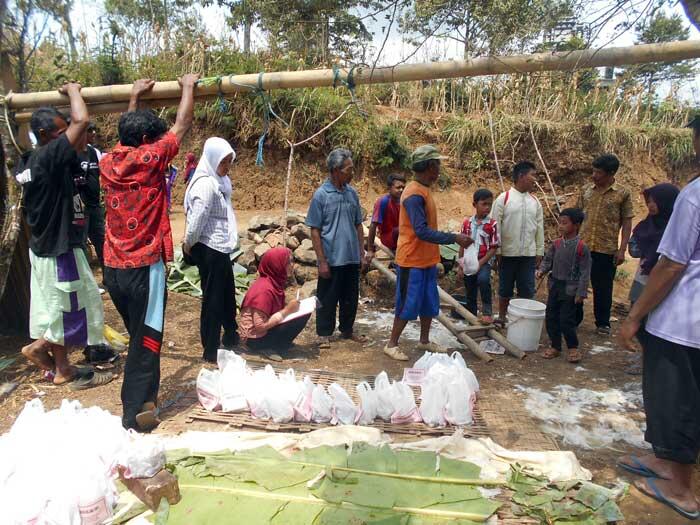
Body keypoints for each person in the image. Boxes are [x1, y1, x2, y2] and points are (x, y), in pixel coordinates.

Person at [100, 75, 198, 431]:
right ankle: (135, 412)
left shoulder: (110, 161)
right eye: (152, 138)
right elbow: (182, 124)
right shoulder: (151, 158)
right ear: (146, 142)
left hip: (113, 270)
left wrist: (133, 97)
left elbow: (126, 135)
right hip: (144, 269)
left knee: (141, 333)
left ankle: (146, 400)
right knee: (146, 337)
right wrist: (188, 86)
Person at [617, 119, 700, 520]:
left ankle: (681, 487)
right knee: (675, 399)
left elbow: (671, 265)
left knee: (677, 400)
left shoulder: (694, 196)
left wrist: (634, 315)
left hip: (683, 323)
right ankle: (666, 462)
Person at [19, 83, 112, 389]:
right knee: (78, 306)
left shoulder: (30, 162)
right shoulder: (47, 157)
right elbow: (82, 121)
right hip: (60, 250)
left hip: (44, 248)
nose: (68, 138)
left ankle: (63, 369)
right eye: (61, 133)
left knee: (57, 306)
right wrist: (74, 91)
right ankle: (39, 347)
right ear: (45, 136)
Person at [384, 145, 473, 361]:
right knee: (406, 303)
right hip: (411, 259)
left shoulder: (423, 189)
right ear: (430, 166)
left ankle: (424, 340)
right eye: (437, 165)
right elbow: (421, 231)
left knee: (427, 302)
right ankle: (391, 344)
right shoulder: (414, 194)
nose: (439, 169)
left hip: (425, 259)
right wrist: (454, 238)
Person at [183, 137, 240, 363]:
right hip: (209, 249)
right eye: (223, 163)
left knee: (226, 293)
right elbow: (196, 221)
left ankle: (231, 335)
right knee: (213, 299)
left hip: (221, 247)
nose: (226, 168)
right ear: (212, 160)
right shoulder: (206, 185)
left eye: (229, 162)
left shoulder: (220, 182)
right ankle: (210, 348)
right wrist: (188, 244)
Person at [306, 148, 367, 349]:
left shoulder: (352, 194)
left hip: (350, 257)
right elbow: (315, 230)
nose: (352, 173)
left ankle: (347, 330)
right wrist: (322, 260)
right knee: (327, 297)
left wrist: (361, 253)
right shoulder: (321, 195)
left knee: (350, 297)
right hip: (331, 258)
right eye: (348, 169)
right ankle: (324, 333)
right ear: (335, 170)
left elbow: (358, 224)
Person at [625, 183, 679, 375]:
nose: (650, 204)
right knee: (637, 313)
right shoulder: (646, 225)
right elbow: (633, 249)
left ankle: (652, 359)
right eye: (649, 201)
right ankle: (645, 354)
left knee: (656, 320)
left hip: (665, 281)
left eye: (655, 201)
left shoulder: (677, 228)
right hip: (643, 277)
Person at [576, 154, 634, 335]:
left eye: (598, 172)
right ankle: (574, 319)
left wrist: (622, 249)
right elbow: (576, 217)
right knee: (576, 284)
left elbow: (626, 223)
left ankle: (602, 323)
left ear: (611, 173)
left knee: (603, 288)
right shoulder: (586, 190)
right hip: (583, 247)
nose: (594, 175)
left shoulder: (622, 194)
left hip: (606, 249)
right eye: (593, 171)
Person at [492, 161, 544, 325]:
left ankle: (524, 319)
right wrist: (498, 251)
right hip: (507, 253)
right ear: (521, 176)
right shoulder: (504, 198)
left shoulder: (535, 201)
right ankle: (501, 316)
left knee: (527, 288)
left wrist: (539, 251)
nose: (534, 179)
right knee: (505, 287)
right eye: (532, 175)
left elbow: (539, 228)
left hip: (528, 255)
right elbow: (495, 226)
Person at [537, 208, 591, 363]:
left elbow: (585, 272)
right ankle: (555, 346)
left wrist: (581, 292)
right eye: (559, 223)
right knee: (551, 317)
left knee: (566, 319)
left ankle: (573, 348)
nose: (560, 226)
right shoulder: (556, 244)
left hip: (570, 288)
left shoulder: (582, 247)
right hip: (555, 285)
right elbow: (548, 260)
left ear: (576, 225)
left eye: (565, 223)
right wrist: (541, 270)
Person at [238, 247, 310, 361]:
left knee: (303, 312)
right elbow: (260, 326)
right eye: (288, 262)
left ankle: (277, 344)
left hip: (260, 333)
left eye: (292, 261)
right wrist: (287, 311)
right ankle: (268, 346)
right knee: (300, 316)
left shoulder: (272, 282)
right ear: (277, 265)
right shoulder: (264, 290)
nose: (292, 265)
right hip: (254, 339)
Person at [457, 188, 499, 324]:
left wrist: (480, 263)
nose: (487, 207)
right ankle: (471, 316)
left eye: (489, 205)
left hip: (483, 261)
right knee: (470, 288)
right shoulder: (467, 223)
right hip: (469, 262)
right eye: (484, 204)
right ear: (475, 205)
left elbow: (493, 248)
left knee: (483, 280)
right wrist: (461, 265)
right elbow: (462, 244)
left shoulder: (492, 225)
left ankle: (487, 312)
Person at [77, 123, 106, 269]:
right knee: (81, 245)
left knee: (102, 242)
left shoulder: (94, 152)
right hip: (79, 209)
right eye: (89, 130)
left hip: (95, 207)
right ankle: (86, 285)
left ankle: (109, 280)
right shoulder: (71, 153)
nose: (93, 133)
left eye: (94, 129)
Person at [366, 173, 406, 257]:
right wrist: (370, 249)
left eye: (403, 187)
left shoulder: (404, 201)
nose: (401, 190)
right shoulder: (383, 201)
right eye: (398, 187)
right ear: (389, 188)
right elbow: (373, 225)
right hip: (388, 237)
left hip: (401, 235)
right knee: (401, 230)